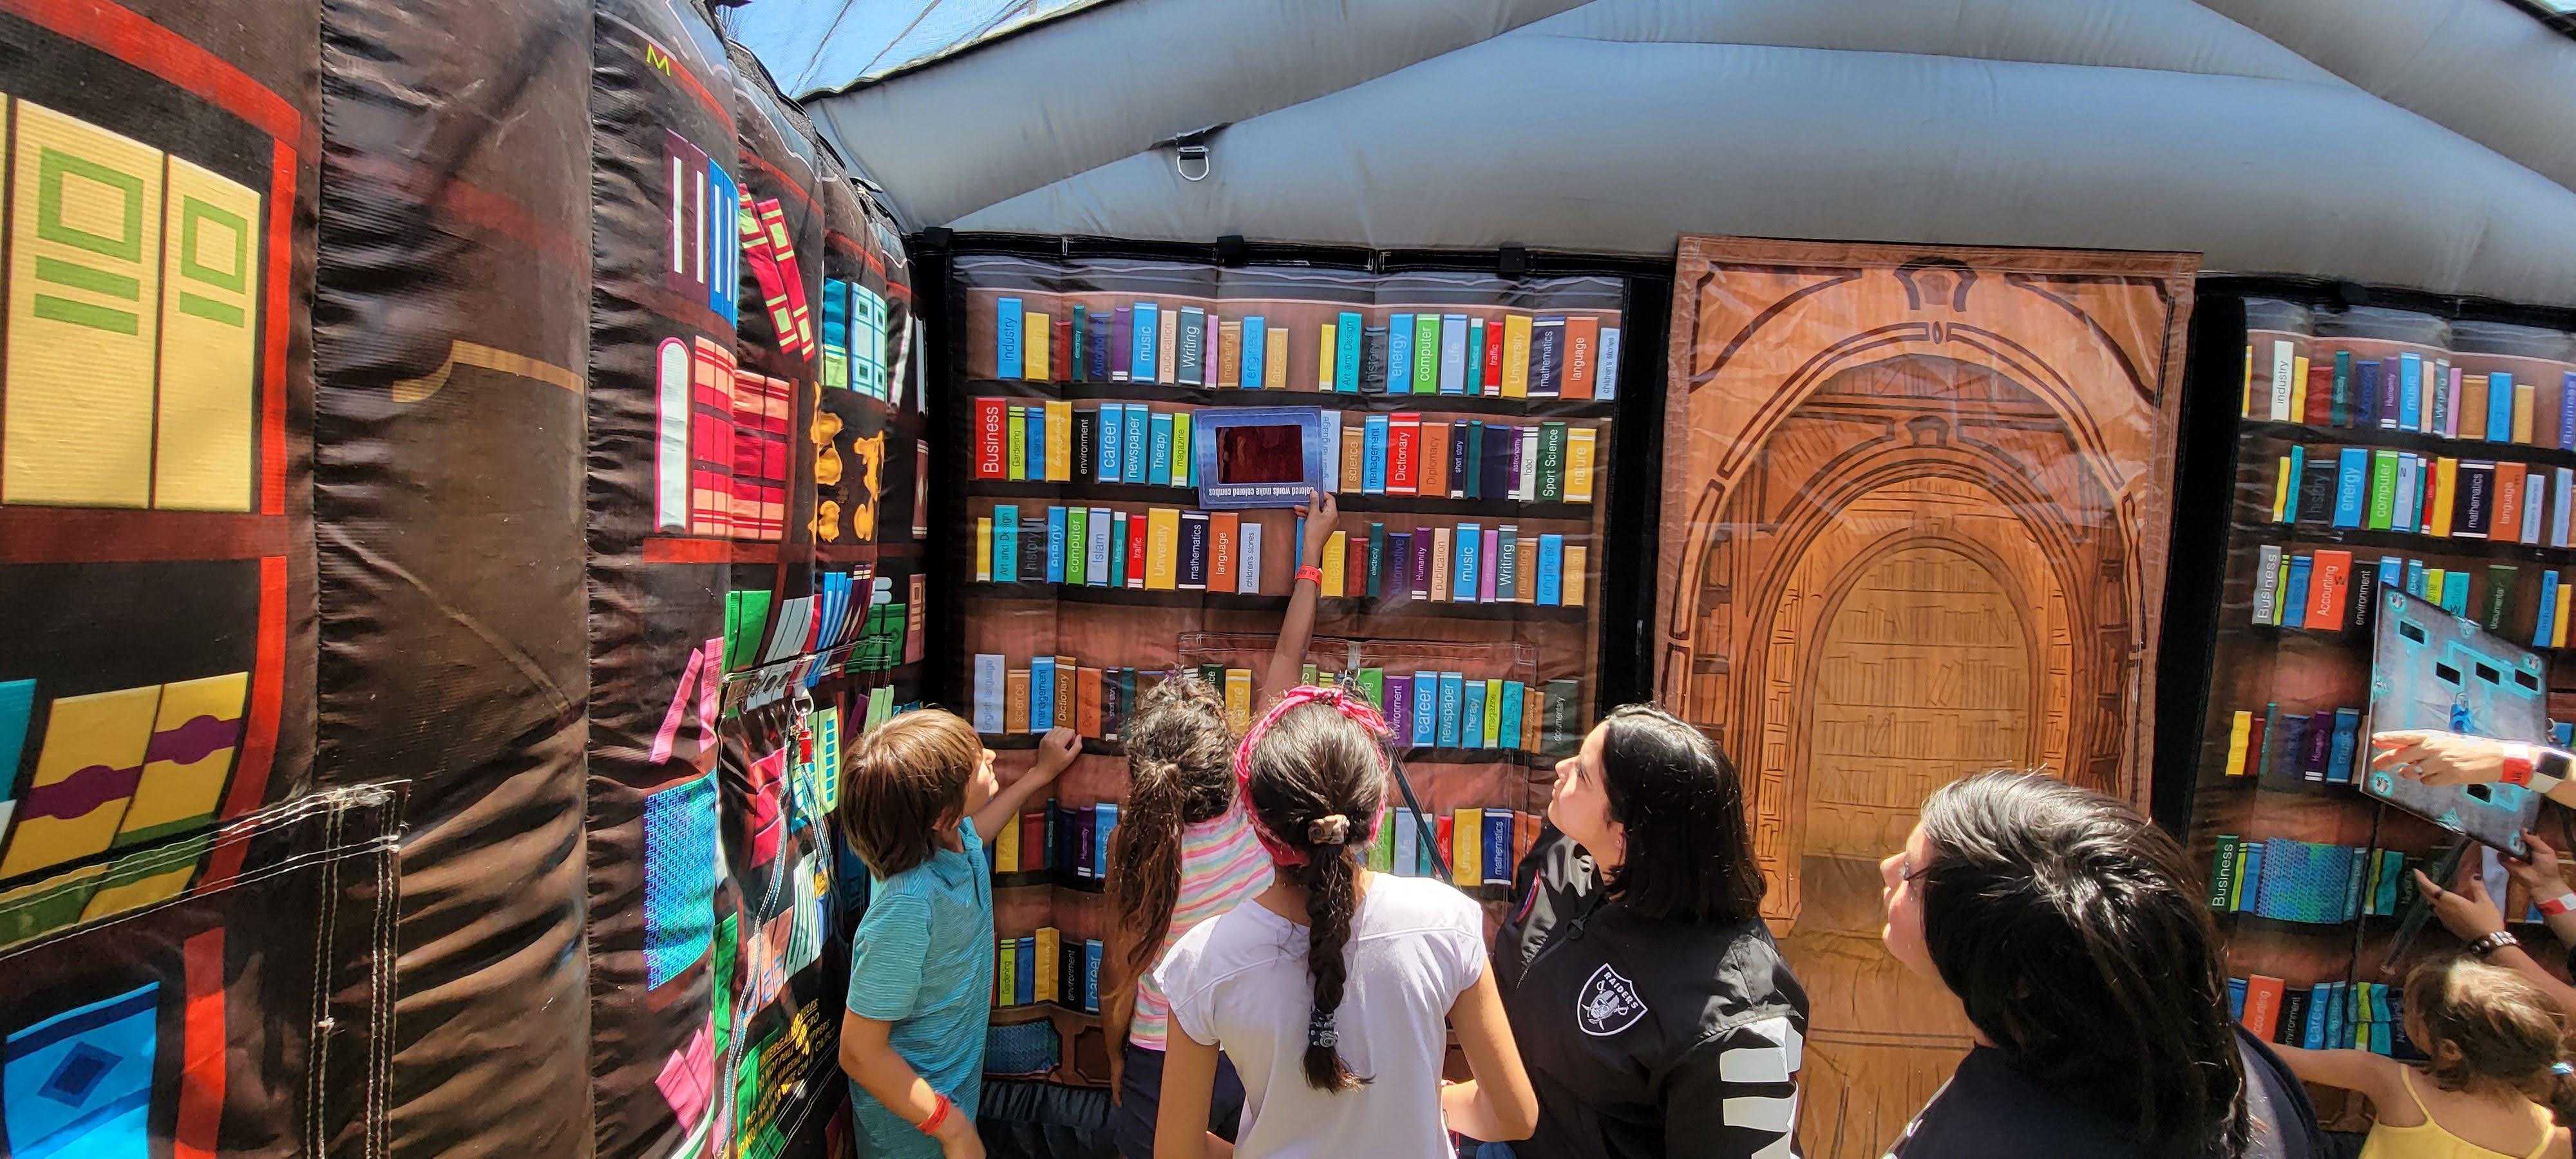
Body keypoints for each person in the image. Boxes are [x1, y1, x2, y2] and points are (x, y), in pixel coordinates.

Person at [1150, 687, 1538, 1158]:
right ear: (1374, 813)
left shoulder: (1203, 963)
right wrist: (1431, 1103)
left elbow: (1176, 1152)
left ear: (1259, 826)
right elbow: (1515, 1115)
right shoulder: (1447, 924)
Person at [1880, 771, 2325, 1158]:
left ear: (2014, 977)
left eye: (1910, 880)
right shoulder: (2217, 1059)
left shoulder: (1981, 1143)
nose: (1887, 867)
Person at [1099, 492, 1336, 1158]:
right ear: (1226, 755)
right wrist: (1310, 555)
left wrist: (1114, 1053)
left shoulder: (1133, 844)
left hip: (1162, 1053)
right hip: (1254, 1041)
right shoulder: (1258, 805)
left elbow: (1118, 975)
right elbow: (1288, 660)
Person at [1482, 704, 1808, 1158]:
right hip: (1495, 1128)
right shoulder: (1569, 849)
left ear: (1626, 835)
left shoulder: (1735, 1016)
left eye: (1582, 774)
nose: (1561, 769)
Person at [835, 709, 1081, 1159]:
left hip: (949, 1105)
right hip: (912, 1135)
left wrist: (1039, 775)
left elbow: (977, 833)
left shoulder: (951, 839)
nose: (990, 756)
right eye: (975, 762)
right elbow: (859, 1052)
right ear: (943, 812)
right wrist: (952, 1130)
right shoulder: (907, 907)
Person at [2272, 957, 2574, 1159]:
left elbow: (2275, 1058)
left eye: (2408, 1010)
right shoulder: (2556, 1139)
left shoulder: (2388, 1080)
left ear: (2450, 1050)